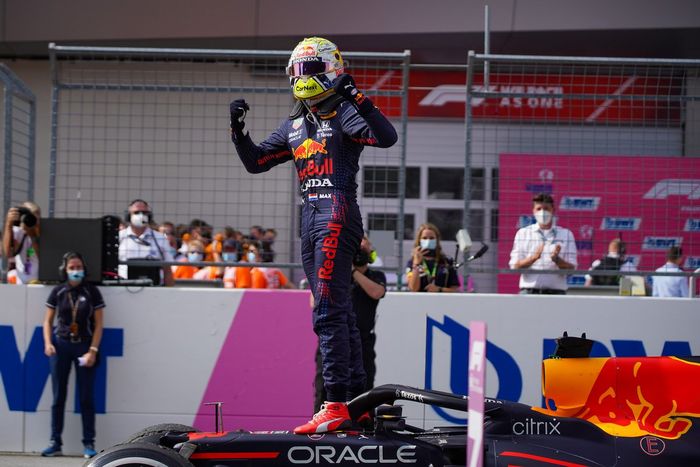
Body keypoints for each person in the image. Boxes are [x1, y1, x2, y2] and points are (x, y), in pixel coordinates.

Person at [229, 36, 397, 433]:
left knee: (327, 312)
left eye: (310, 70)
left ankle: (336, 401)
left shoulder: (344, 112)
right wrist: (238, 132)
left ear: (330, 71)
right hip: (310, 218)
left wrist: (356, 95)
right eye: (298, 71)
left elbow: (385, 137)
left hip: (336, 211)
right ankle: (356, 402)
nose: (302, 78)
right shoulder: (293, 125)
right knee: (335, 311)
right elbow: (256, 162)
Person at [41, 252, 104, 458]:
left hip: (84, 347)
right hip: (61, 346)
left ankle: (88, 443)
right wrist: (48, 343)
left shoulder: (91, 291)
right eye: (72, 267)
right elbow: (47, 321)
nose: (76, 271)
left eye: (79, 267)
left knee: (86, 397)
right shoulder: (58, 291)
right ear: (65, 269)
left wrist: (93, 350)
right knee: (58, 396)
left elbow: (99, 324)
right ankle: (55, 441)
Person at [314, 235, 386, 412]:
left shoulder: (376, 275)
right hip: (333, 340)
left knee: (364, 389)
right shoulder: (334, 275)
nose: (360, 244)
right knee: (324, 388)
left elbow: (377, 292)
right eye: (357, 240)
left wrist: (353, 271)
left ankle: (364, 430)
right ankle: (320, 430)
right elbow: (315, 300)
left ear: (371, 249)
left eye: (364, 241)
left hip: (362, 341)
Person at [509, 193, 577, 294]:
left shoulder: (566, 234)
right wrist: (533, 258)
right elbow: (514, 266)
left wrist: (557, 260)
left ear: (553, 210)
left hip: (557, 292)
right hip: (529, 292)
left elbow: (572, 269)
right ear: (533, 211)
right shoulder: (523, 233)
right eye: (539, 209)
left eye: (546, 208)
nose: (543, 212)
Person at [118, 199, 174, 286]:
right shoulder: (119, 237)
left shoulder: (160, 238)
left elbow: (167, 269)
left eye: (144, 213)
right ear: (128, 216)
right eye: (136, 212)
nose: (141, 215)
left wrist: (170, 292)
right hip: (122, 287)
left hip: (153, 288)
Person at [406, 223, 459, 293]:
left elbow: (455, 290)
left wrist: (439, 289)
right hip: (419, 302)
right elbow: (413, 288)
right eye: (424, 238)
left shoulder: (447, 261)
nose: (428, 240)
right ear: (419, 241)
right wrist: (416, 264)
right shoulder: (412, 262)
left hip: (442, 302)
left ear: (437, 240)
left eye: (431, 238)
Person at [3, 201, 41, 284]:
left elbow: (42, 257)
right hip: (21, 282)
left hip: (40, 281)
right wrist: (8, 224)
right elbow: (8, 253)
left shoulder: (44, 233)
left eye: (35, 215)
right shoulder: (18, 232)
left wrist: (32, 235)